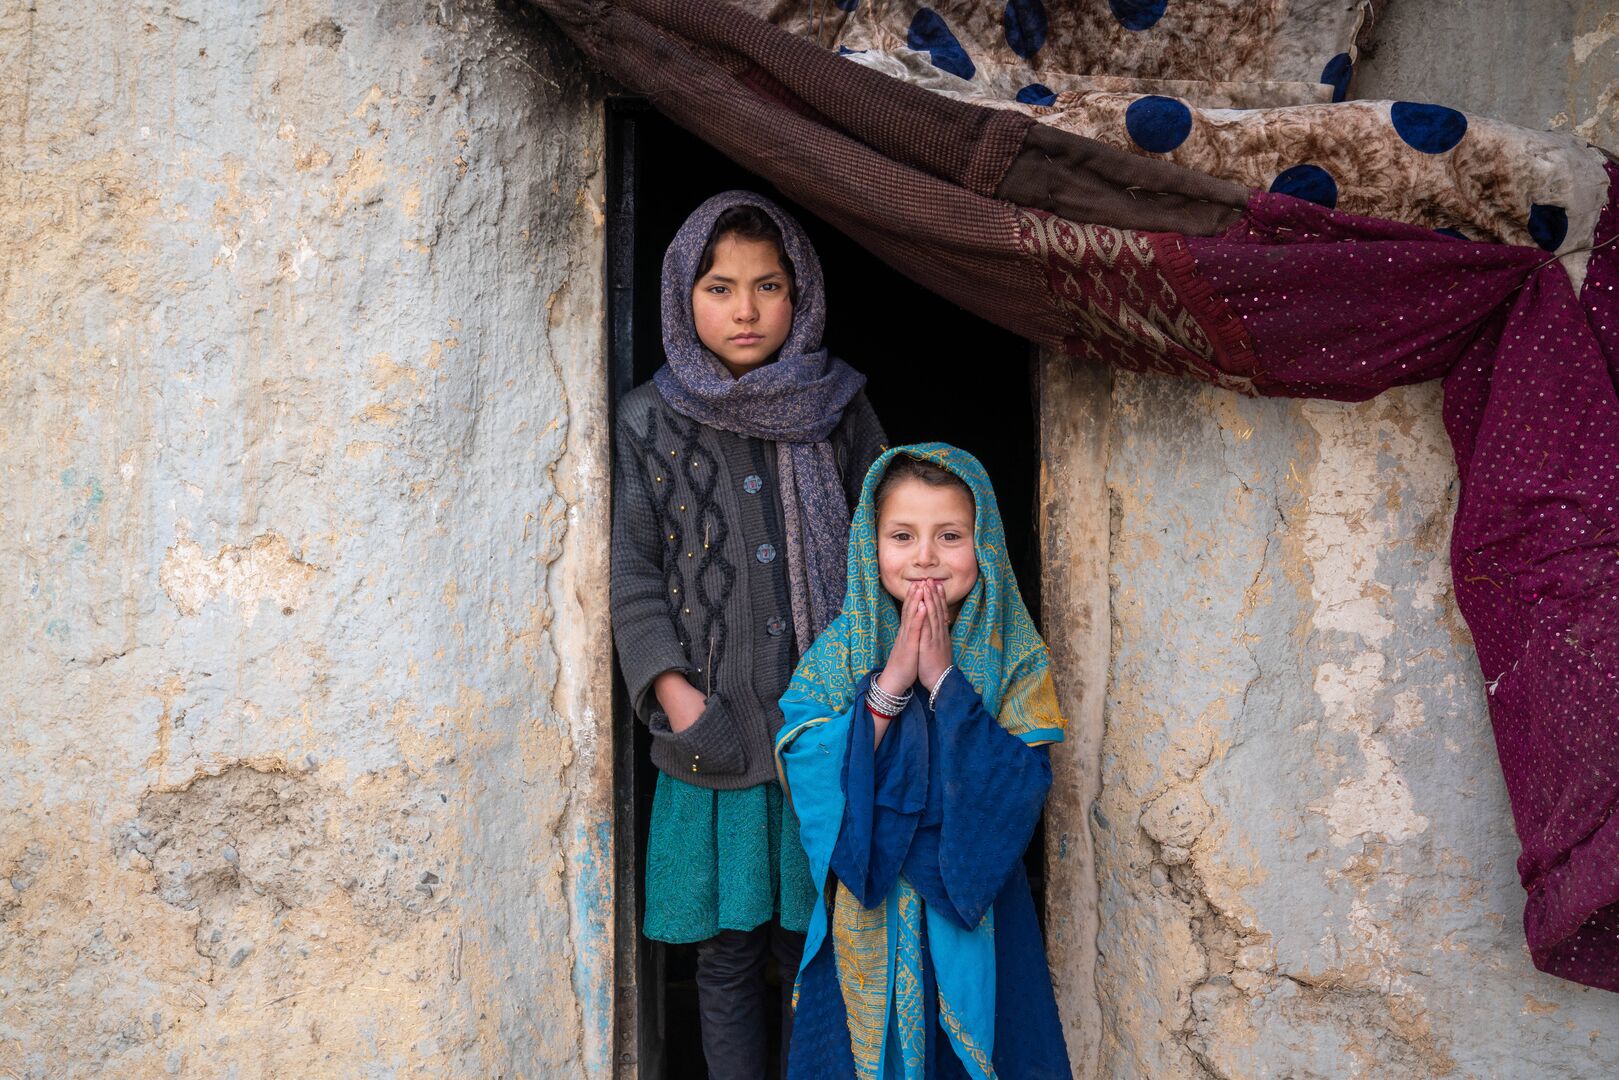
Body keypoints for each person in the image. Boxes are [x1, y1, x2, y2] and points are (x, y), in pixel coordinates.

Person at [611, 190, 887, 1077]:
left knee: (816, 949)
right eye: (720, 287)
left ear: (799, 294)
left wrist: (866, 694)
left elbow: (881, 555)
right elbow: (633, 573)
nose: (744, 309)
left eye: (768, 287)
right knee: (725, 956)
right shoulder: (649, 420)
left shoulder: (838, 408)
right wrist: (680, 701)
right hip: (714, 740)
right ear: (681, 299)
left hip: (824, 730)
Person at [776, 444, 1070, 1079]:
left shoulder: (1015, 654)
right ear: (869, 545)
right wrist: (891, 684)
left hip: (977, 900)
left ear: (984, 542)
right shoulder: (844, 645)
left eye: (950, 535)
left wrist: (943, 682)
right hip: (869, 903)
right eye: (902, 535)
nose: (926, 557)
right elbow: (805, 762)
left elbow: (1023, 782)